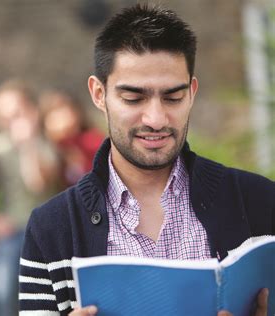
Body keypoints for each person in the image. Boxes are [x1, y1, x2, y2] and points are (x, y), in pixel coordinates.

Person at [18, 4, 274, 315]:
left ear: (192, 92)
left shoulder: (261, 202)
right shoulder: (51, 228)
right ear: (99, 94)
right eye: (133, 98)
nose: (155, 118)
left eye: (173, 97)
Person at [0, 80, 59, 316]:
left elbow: (37, 183)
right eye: (4, 115)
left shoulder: (46, 146)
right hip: (10, 232)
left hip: (43, 231)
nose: (11, 121)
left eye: (16, 113)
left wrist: (28, 145)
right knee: (2, 291)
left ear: (31, 111)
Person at [39, 89, 104, 187]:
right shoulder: (49, 149)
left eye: (64, 111)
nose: (61, 119)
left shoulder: (92, 142)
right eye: (53, 114)